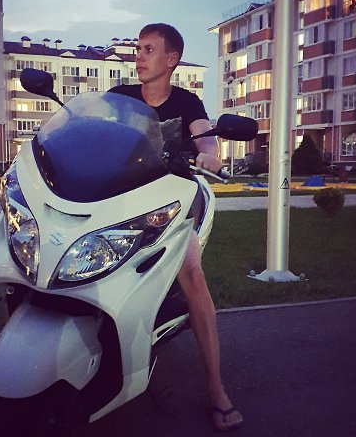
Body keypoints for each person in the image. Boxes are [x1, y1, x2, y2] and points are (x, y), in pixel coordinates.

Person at [110, 23, 243, 432]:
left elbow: (205, 138)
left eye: (148, 49)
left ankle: (216, 389)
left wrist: (209, 154)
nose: (138, 56)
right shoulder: (120, 97)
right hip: (121, 199)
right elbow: (90, 128)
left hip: (170, 203)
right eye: (137, 49)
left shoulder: (186, 102)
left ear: (171, 60)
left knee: (192, 274)